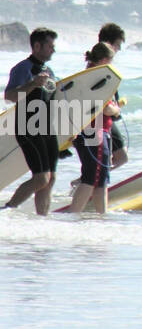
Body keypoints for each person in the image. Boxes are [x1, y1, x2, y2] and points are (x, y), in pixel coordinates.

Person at [3, 27, 60, 214]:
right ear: (37, 46)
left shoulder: (49, 70)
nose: (53, 50)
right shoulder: (22, 69)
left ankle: (42, 220)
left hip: (47, 129)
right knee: (41, 178)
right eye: (50, 46)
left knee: (50, 179)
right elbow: (10, 96)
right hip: (28, 128)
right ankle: (7, 210)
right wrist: (32, 84)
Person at [68, 43, 119, 215]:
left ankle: (101, 217)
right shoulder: (100, 77)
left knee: (100, 180)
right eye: (111, 61)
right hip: (95, 130)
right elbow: (106, 109)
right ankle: (72, 217)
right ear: (104, 60)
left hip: (84, 130)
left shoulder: (86, 73)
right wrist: (117, 110)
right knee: (91, 178)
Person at [98, 23, 130, 169]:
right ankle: (87, 185)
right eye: (117, 44)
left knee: (118, 158)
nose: (119, 49)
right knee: (116, 158)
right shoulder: (99, 67)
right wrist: (115, 110)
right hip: (100, 122)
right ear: (109, 44)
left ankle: (90, 185)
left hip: (107, 120)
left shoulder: (104, 64)